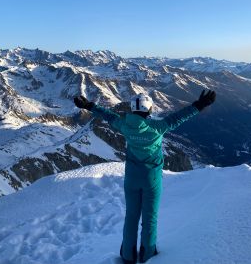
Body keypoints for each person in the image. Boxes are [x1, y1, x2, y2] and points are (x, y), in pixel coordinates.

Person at [74, 90, 216, 264]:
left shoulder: (125, 125)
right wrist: (200, 104)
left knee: (131, 216)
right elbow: (179, 117)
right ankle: (147, 254)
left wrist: (89, 105)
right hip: (152, 179)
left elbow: (108, 116)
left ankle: (127, 254)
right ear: (149, 110)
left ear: (133, 109)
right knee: (149, 218)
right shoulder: (158, 127)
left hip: (132, 178)